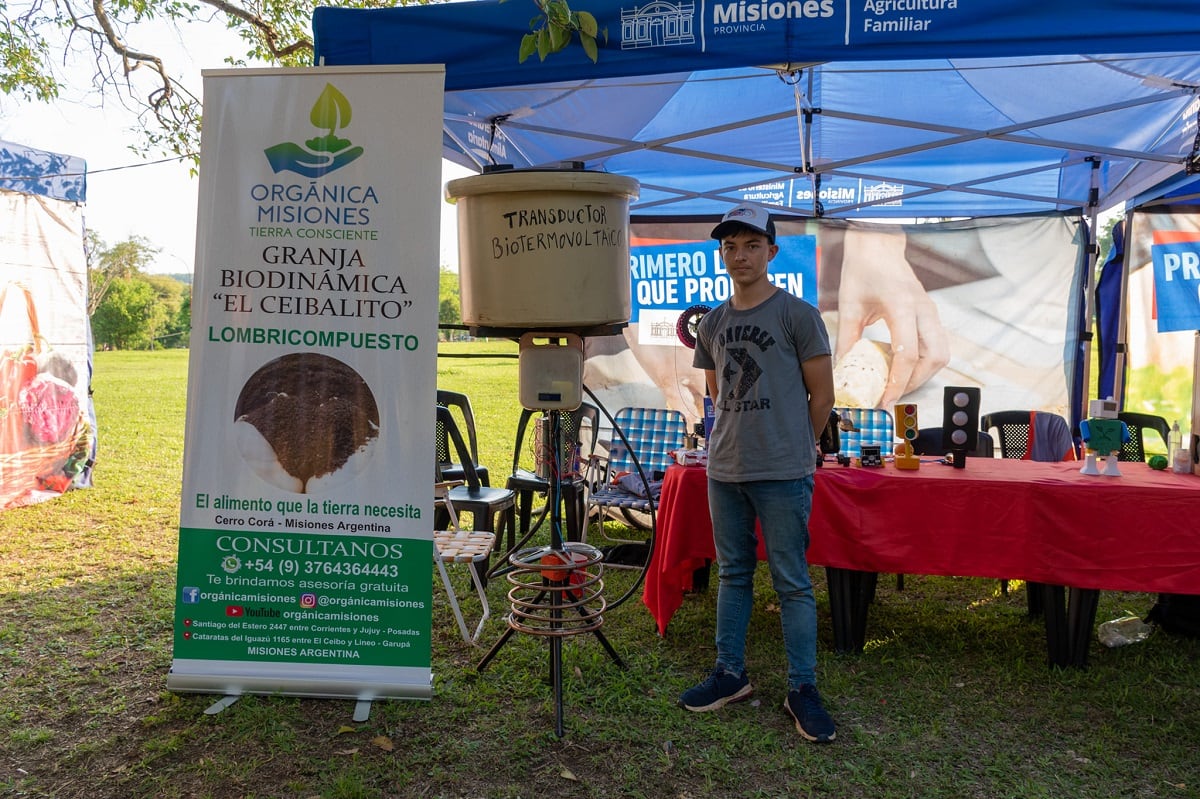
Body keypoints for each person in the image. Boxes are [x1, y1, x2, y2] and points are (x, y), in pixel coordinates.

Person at [679, 203, 838, 743]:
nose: (740, 255)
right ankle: (730, 675)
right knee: (733, 574)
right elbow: (717, 397)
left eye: (751, 245)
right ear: (721, 255)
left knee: (792, 582)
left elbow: (824, 396)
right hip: (725, 469)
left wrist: (796, 447)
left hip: (784, 470)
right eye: (730, 246)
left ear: (771, 252)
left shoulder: (797, 315)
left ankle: (803, 689)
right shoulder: (714, 323)